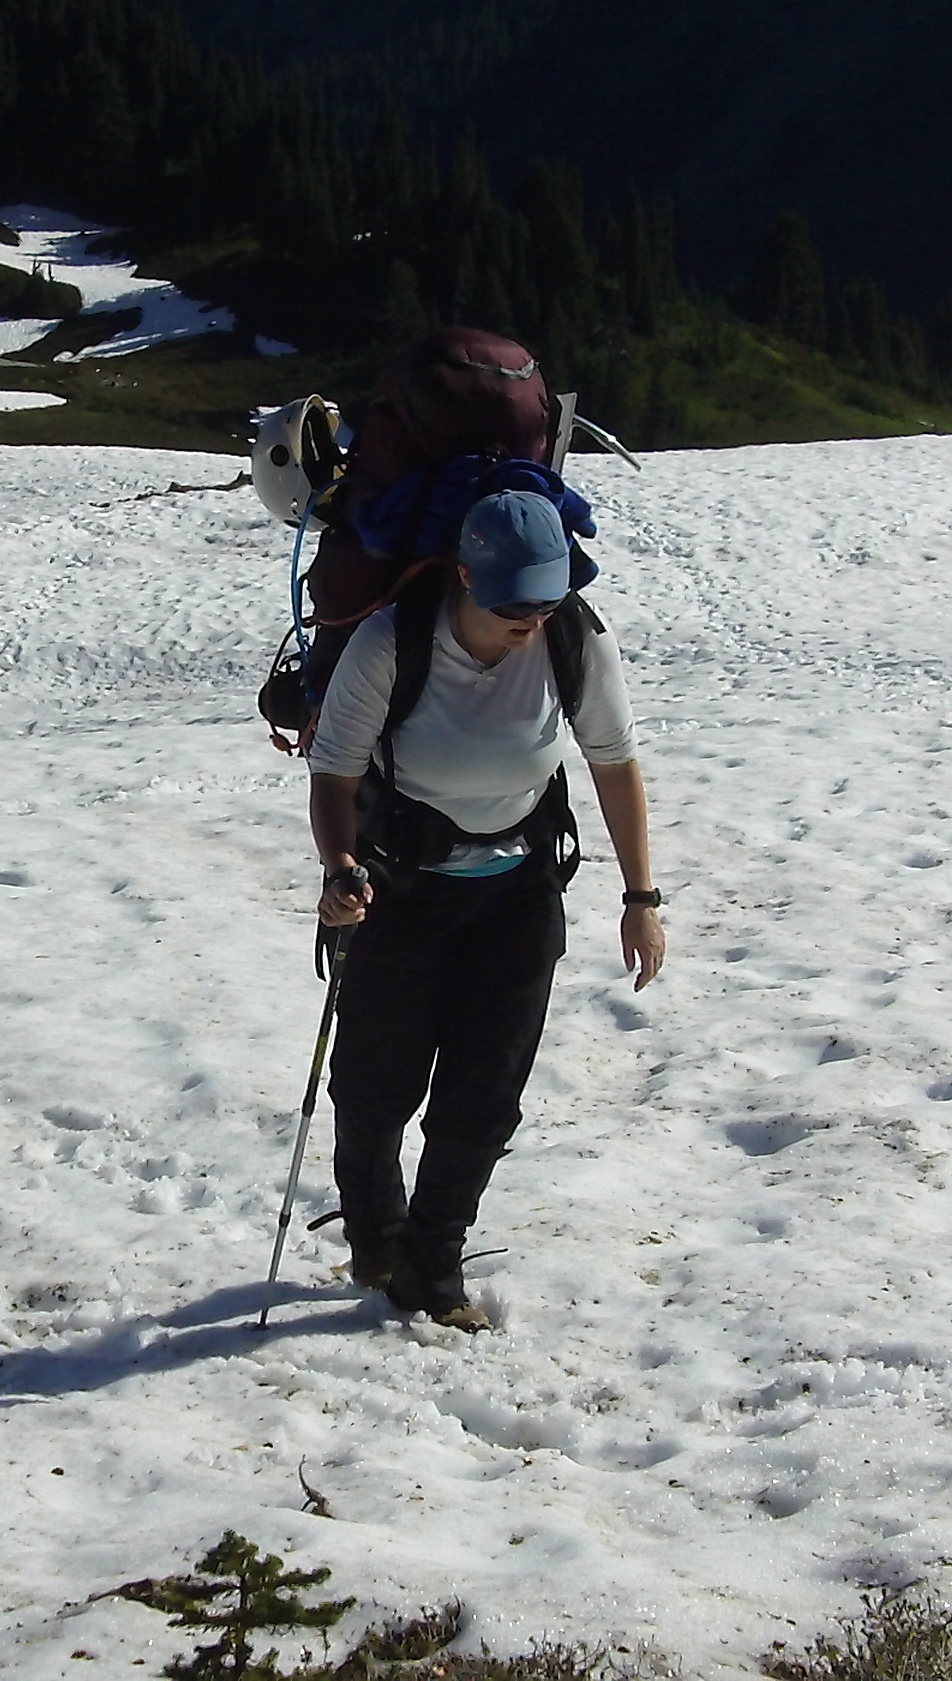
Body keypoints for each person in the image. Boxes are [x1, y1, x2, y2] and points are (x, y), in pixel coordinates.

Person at [305, 490, 664, 1331]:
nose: (532, 623)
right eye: (514, 608)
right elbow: (335, 775)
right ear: (467, 578)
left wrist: (640, 897)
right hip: (397, 892)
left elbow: (615, 763)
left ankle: (431, 1269)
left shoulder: (575, 638)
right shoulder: (391, 643)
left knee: (486, 1095)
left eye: (546, 602)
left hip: (518, 896)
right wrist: (340, 868)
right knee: (374, 1087)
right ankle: (376, 1234)